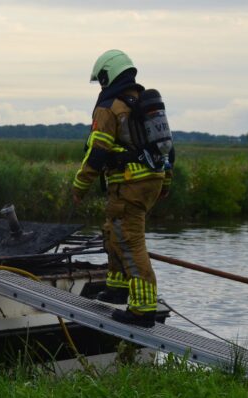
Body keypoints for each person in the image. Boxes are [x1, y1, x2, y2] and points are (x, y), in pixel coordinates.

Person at [71, 49, 174, 327]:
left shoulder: (110, 106)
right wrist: (165, 180)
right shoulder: (142, 103)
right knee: (113, 229)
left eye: (102, 79)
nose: (102, 85)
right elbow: (166, 148)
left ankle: (142, 309)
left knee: (129, 240)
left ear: (110, 74)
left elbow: (97, 151)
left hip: (129, 182)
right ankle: (118, 286)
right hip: (149, 180)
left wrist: (80, 185)